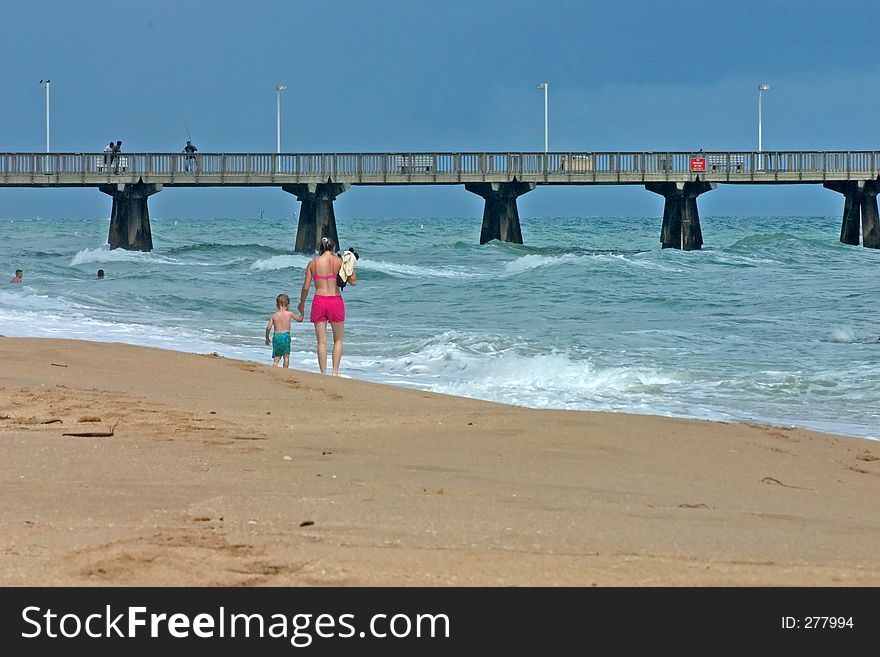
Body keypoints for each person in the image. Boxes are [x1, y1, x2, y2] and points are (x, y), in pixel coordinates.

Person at [298, 236, 357, 376]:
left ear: (321, 248)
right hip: (335, 300)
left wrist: (302, 303)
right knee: (338, 339)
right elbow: (353, 282)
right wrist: (351, 264)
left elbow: (306, 287)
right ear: (333, 249)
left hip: (319, 301)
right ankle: (335, 372)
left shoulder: (312, 263)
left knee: (321, 342)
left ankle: (323, 372)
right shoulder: (339, 262)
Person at [265, 293, 303, 368]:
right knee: (286, 356)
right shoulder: (289, 313)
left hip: (277, 336)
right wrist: (302, 312)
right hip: (286, 336)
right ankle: (285, 370)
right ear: (288, 305)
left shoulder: (274, 315)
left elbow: (268, 328)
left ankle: (275, 366)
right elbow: (299, 319)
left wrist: (267, 337)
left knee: (277, 356)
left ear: (276, 305)